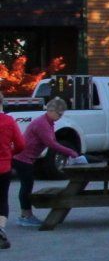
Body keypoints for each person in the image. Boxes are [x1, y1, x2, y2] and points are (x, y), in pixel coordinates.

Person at [15, 99, 79, 228]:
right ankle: (25, 216)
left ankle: (26, 215)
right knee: (26, 187)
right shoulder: (42, 124)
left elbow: (52, 140)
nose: (60, 117)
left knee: (27, 185)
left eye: (62, 114)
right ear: (51, 111)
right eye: (59, 114)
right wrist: (71, 152)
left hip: (28, 158)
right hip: (23, 158)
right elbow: (51, 143)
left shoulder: (49, 123)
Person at [0, 109, 22, 247]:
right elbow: (21, 144)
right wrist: (9, 153)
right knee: (2, 199)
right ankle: (0, 228)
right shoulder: (9, 121)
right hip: (3, 166)